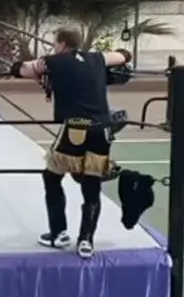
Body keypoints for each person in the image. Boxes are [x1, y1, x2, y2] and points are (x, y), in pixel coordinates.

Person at [10, 27, 132, 259]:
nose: (54, 47)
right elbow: (123, 55)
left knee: (51, 177)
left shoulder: (52, 62)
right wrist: (122, 56)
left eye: (55, 43)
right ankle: (86, 241)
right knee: (92, 184)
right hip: (103, 129)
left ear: (63, 44)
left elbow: (21, 69)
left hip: (76, 127)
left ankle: (58, 233)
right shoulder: (98, 57)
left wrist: (29, 70)